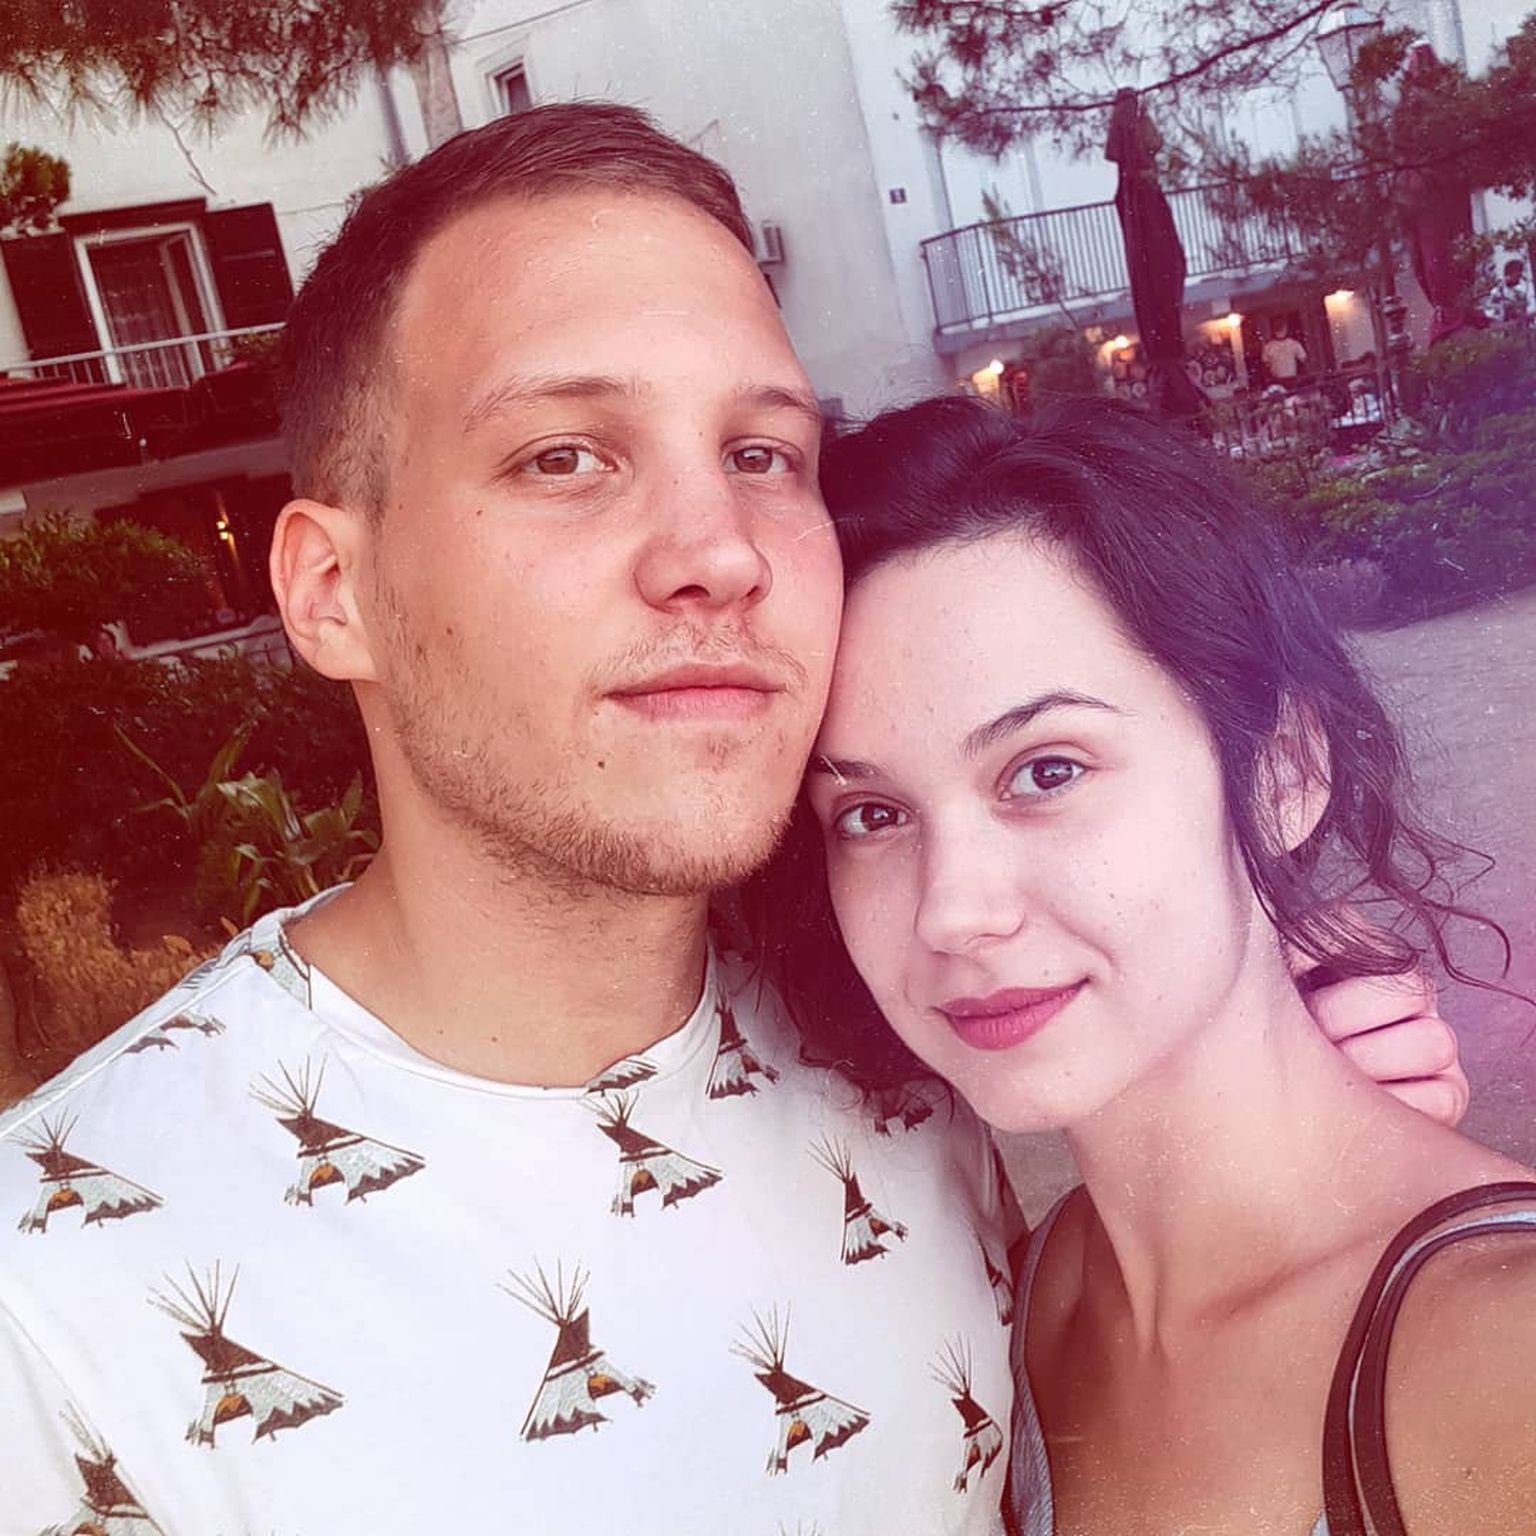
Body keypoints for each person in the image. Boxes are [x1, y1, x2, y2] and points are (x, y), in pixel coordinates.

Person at [0, 106, 1463, 1534]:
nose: (718, 553)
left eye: (761, 455)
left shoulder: (902, 1065)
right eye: (564, 456)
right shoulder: (54, 1314)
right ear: (334, 592)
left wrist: (1271, 1101)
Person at [765, 393, 1534, 1534]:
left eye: (1047, 770)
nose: (952, 912)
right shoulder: (1022, 1302)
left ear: (1283, 772)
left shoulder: (1501, 1366)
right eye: (871, 815)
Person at [1263, 316, 1309, 384]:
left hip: (1293, 380)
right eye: (1277, 326)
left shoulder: (1294, 344)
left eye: (1281, 325)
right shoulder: (1268, 347)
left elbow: (1304, 360)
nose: (1279, 328)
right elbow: (1265, 365)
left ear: (1286, 327)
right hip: (1277, 382)